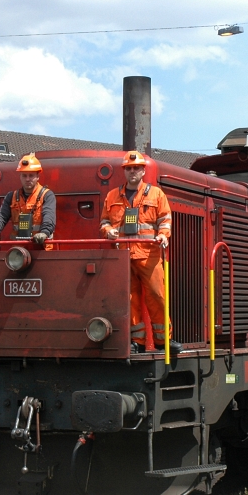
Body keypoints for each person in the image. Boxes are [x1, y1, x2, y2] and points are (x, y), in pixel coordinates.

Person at [100, 151, 182, 355]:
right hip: (123, 256)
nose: (132, 171)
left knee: (157, 296)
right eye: (129, 168)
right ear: (124, 172)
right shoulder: (112, 196)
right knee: (130, 299)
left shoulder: (156, 194)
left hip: (149, 255)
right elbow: (104, 221)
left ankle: (165, 341)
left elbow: (165, 219)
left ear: (143, 170)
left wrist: (164, 235)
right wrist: (108, 230)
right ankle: (137, 341)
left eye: (136, 168)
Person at [0, 154, 56, 251]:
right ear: (20, 177)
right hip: (18, 253)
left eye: (31, 175)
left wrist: (44, 233)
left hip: (42, 250)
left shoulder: (47, 195)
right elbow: (1, 217)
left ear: (37, 176)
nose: (27, 179)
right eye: (24, 175)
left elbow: (49, 216)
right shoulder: (11, 196)